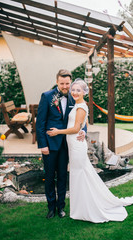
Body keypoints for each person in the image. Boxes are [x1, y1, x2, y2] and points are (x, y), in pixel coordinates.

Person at [47, 79, 133, 223]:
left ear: (84, 92)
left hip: (77, 145)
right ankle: (81, 206)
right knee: (81, 174)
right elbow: (83, 125)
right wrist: (83, 132)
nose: (74, 92)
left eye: (78, 90)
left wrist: (58, 132)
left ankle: (86, 208)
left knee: (81, 174)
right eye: (73, 89)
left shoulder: (81, 107)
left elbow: (74, 128)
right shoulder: (78, 104)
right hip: (74, 143)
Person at [36, 70, 86, 219]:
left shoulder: (74, 97)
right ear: (57, 82)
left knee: (63, 177)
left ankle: (61, 207)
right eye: (62, 83)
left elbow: (80, 117)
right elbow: (40, 123)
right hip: (50, 145)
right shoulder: (47, 96)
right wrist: (42, 145)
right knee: (50, 177)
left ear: (70, 83)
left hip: (67, 145)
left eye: (67, 83)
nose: (65, 86)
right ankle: (51, 207)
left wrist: (83, 130)